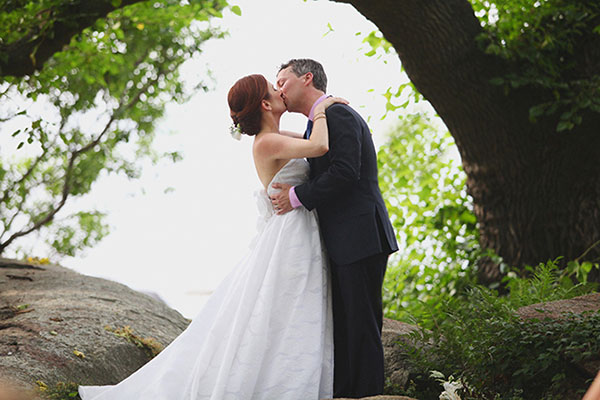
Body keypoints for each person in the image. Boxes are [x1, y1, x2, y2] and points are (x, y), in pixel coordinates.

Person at [78, 74, 346, 400]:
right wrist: (323, 106)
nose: (280, 92)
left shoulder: (274, 136)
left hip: (297, 228)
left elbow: (311, 142)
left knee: (291, 305)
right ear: (265, 103)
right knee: (287, 305)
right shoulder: (266, 142)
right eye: (274, 89)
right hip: (288, 235)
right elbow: (319, 145)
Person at [270, 59, 399, 398]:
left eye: (282, 81)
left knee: (361, 321)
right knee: (345, 320)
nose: (279, 88)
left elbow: (345, 172)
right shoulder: (319, 123)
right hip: (346, 236)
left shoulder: (338, 115)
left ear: (307, 78)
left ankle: (370, 394)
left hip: (360, 234)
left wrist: (296, 196)